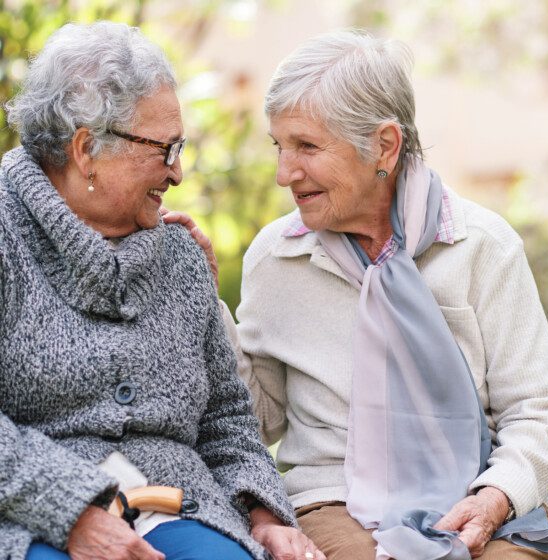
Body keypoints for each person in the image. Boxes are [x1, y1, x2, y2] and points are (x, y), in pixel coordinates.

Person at [168, 30, 548, 560]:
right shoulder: (277, 258)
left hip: (478, 493)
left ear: (384, 145)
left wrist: (495, 497)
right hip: (333, 500)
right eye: (279, 146)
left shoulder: (482, 247)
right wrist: (205, 304)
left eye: (307, 146)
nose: (283, 173)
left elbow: (539, 407)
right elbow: (257, 419)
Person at [0, 21, 323, 560]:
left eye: (181, 147)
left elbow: (227, 418)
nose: (177, 172)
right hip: (31, 512)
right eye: (164, 149)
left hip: (181, 505)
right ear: (86, 150)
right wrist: (71, 508)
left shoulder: (178, 254)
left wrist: (266, 516)